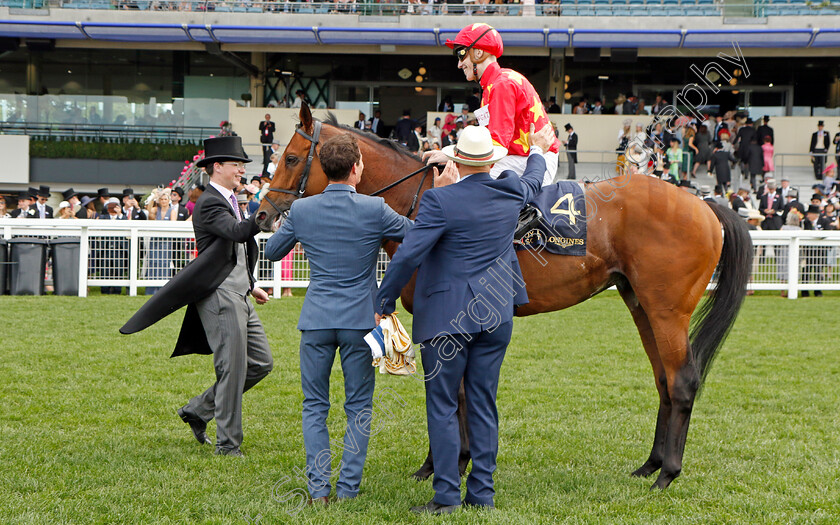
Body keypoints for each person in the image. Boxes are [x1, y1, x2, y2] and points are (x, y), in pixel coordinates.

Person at [374, 123, 555, 515]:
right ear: (490, 160)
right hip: (495, 312)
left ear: (455, 160)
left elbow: (408, 255)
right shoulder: (510, 190)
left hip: (446, 317)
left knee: (442, 405)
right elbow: (534, 180)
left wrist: (384, 299)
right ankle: (482, 494)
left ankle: (445, 497)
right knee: (483, 403)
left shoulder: (440, 201)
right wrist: (538, 149)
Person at [264, 133, 414, 505]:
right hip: (360, 320)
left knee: (314, 406)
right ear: (356, 168)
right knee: (358, 407)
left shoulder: (301, 210)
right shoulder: (375, 209)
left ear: (324, 169)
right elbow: (416, 235)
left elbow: (271, 251)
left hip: (316, 318)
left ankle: (318, 491)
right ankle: (346, 491)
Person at [121, 136, 273, 457]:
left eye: (243, 166)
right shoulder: (210, 202)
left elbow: (234, 249)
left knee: (260, 363)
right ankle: (228, 446)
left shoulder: (229, 199)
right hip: (219, 294)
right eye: (237, 165)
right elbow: (237, 233)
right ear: (217, 167)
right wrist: (265, 209)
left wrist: (251, 282)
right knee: (232, 369)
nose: (242, 171)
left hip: (239, 291)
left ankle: (200, 410)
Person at [425, 23, 560, 186]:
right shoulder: (494, 84)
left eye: (461, 54)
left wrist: (453, 156)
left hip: (532, 158)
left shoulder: (501, 84)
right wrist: (452, 155)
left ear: (479, 52)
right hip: (522, 157)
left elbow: (496, 145)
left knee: (466, 183)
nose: (459, 64)